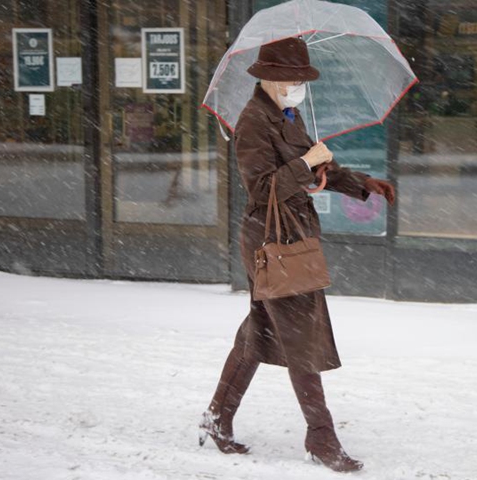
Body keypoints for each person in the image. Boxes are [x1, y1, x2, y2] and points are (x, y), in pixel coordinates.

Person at [198, 36, 395, 473]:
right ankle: (321, 438)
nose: (297, 86)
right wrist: (305, 165)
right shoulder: (253, 121)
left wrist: (363, 184)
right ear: (268, 78)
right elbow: (263, 189)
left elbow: (317, 168)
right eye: (290, 79)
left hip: (292, 234)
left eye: (301, 79)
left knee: (261, 329)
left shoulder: (288, 114)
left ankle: (217, 418)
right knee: (299, 335)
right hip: (272, 240)